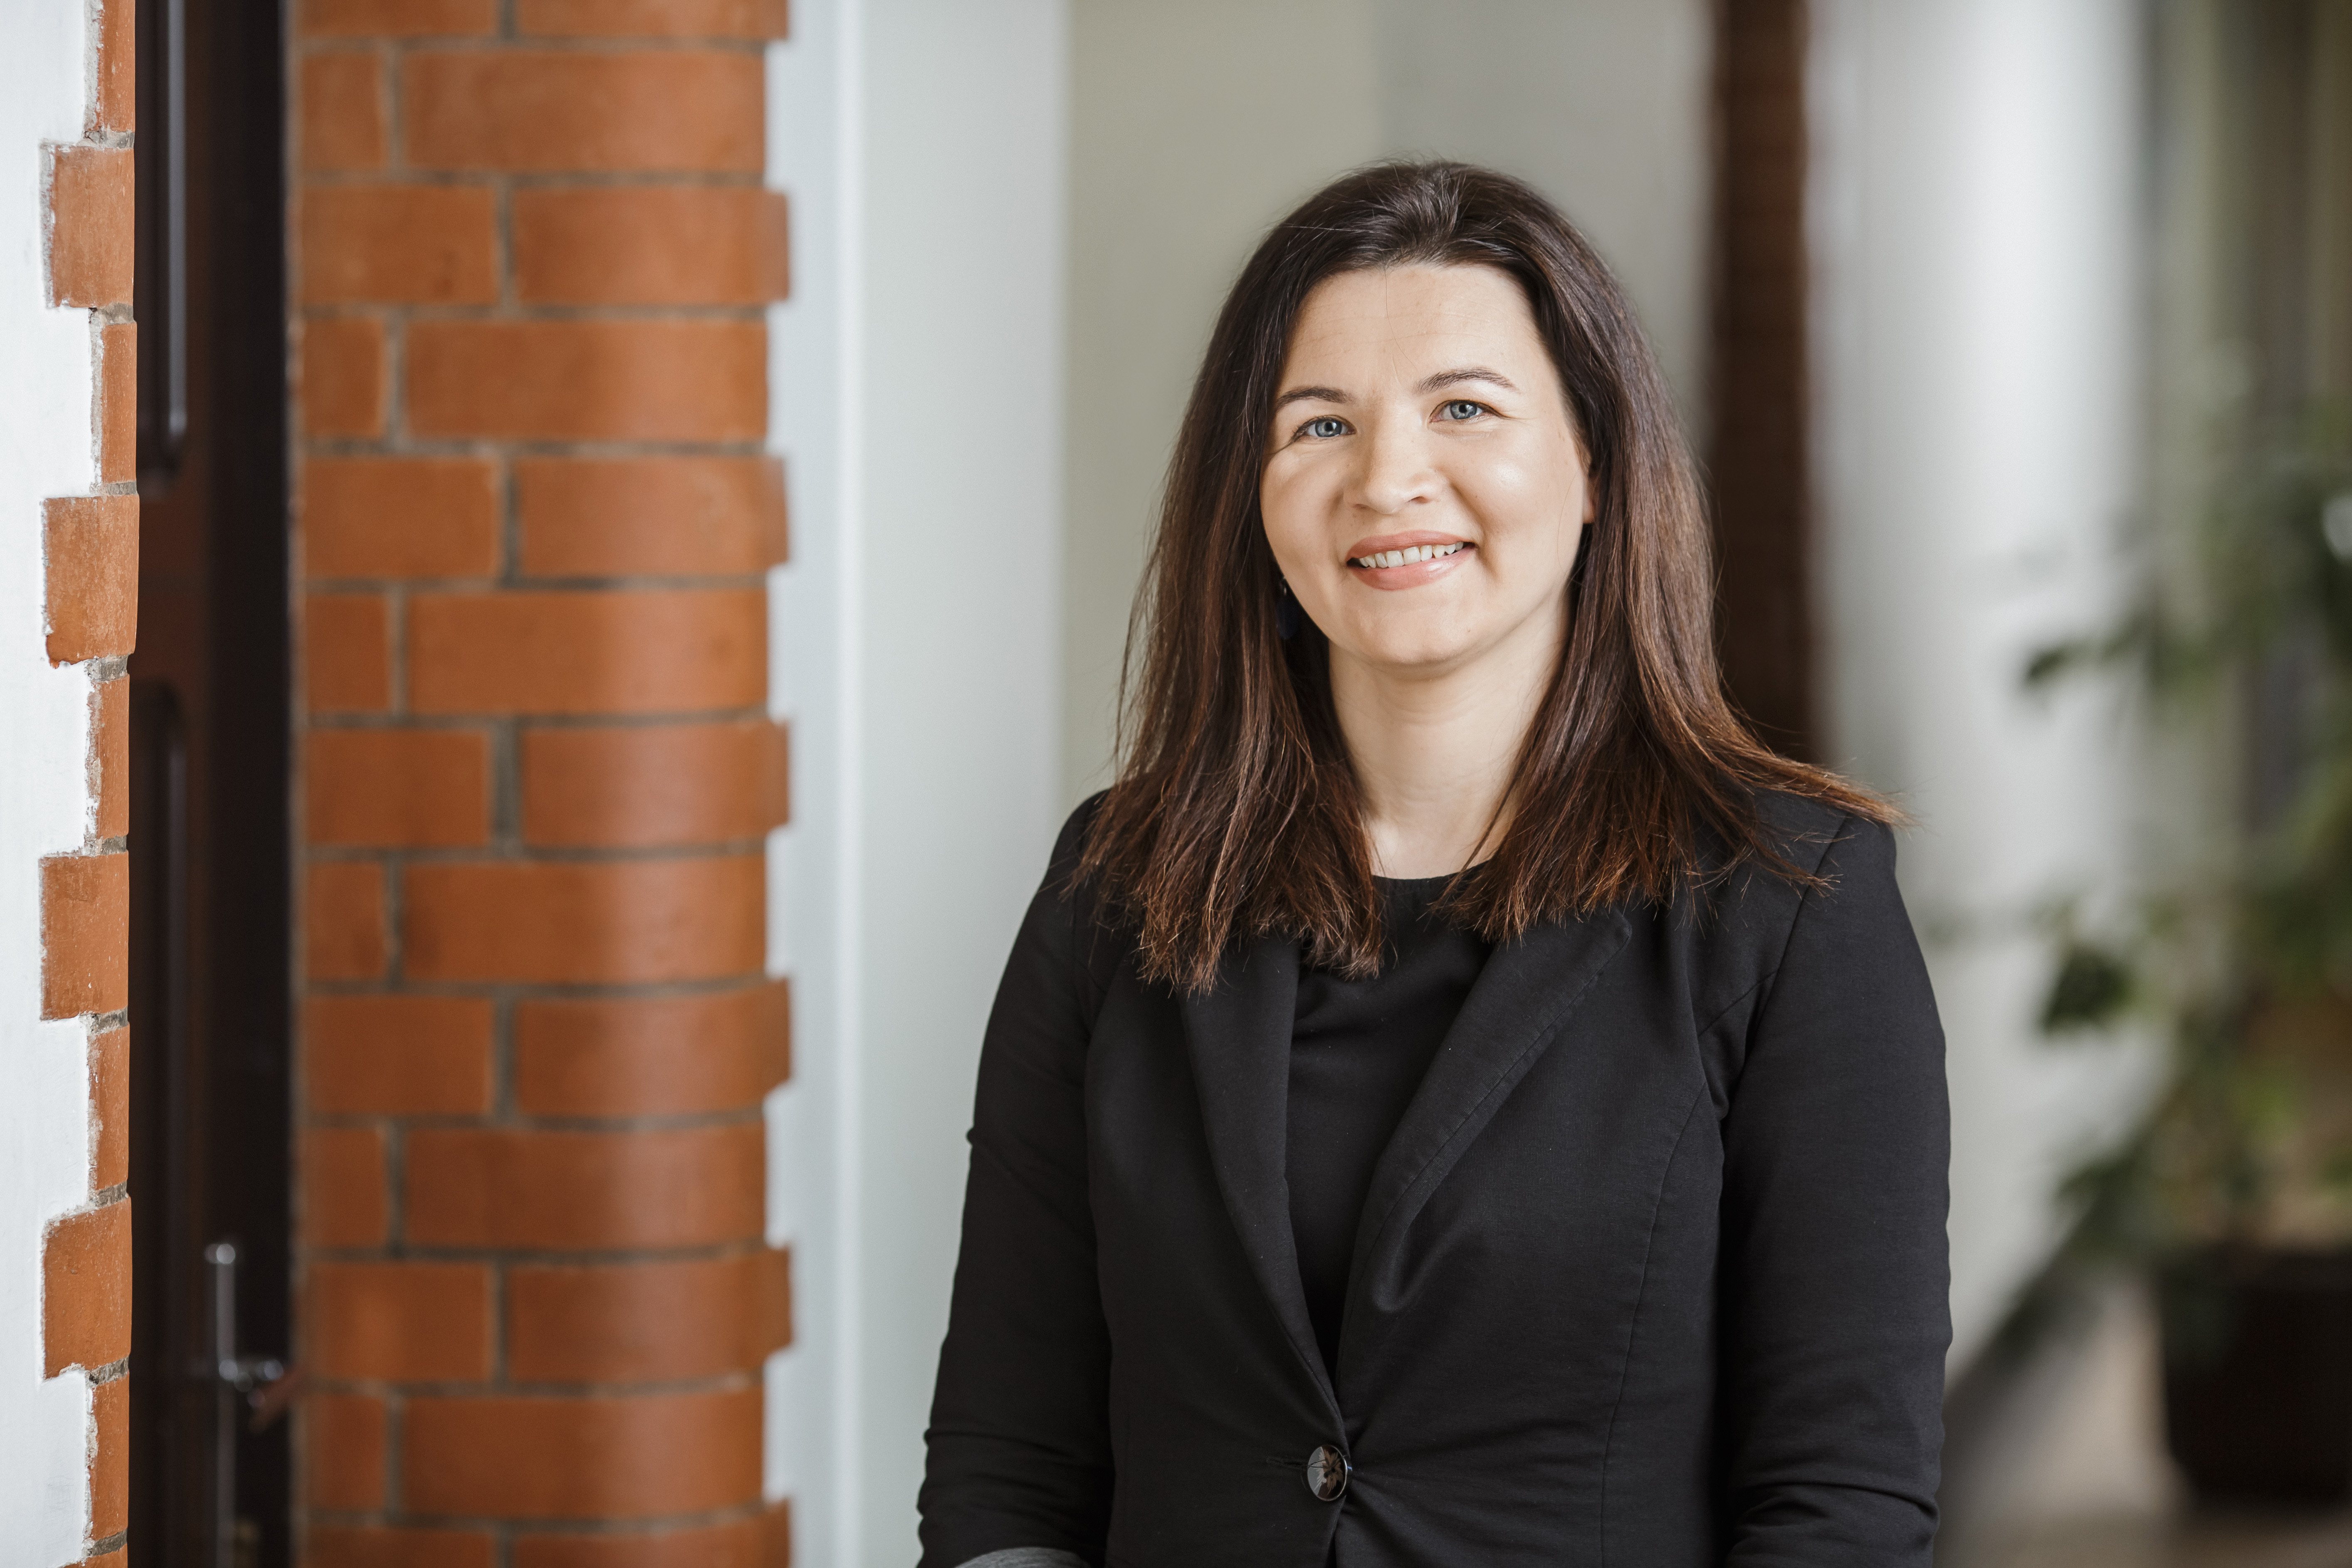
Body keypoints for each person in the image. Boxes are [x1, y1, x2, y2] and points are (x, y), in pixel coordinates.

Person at [916, 161, 1948, 1568]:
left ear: (1596, 462)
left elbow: (1841, 1510)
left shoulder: (1788, 899)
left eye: (1464, 408)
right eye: (1319, 423)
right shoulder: (1118, 883)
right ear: (1252, 492)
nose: (1387, 478)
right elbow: (1009, 1466)